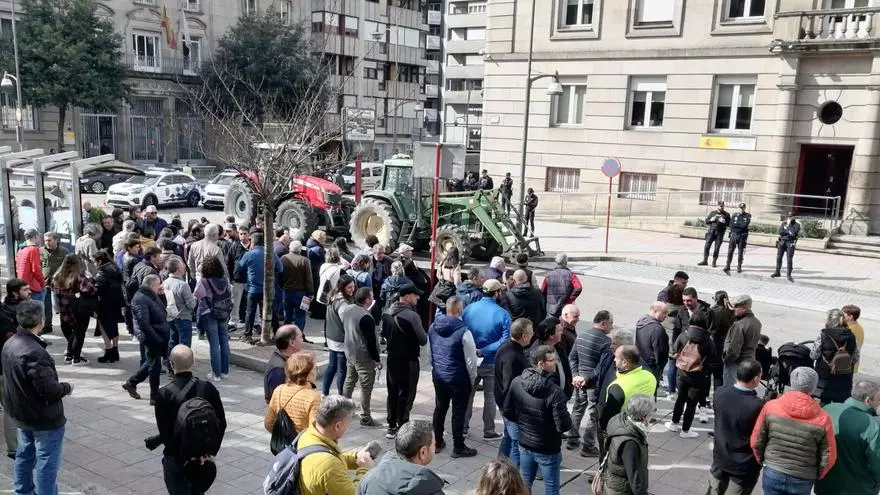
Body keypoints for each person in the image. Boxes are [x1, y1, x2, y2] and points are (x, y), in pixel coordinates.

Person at [2, 300, 73, 495]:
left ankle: (23, 491)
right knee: (46, 463)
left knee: (25, 456)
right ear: (40, 321)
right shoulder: (34, 352)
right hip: (42, 417)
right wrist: (67, 387)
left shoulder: (10, 343)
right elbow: (49, 390)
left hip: (22, 413)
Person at [751, 367, 837, 495]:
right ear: (813, 387)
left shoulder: (771, 407)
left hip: (773, 470)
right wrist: (818, 473)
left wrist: (763, 460)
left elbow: (757, 440)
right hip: (803, 477)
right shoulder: (823, 418)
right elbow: (829, 455)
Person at [154, 345, 226, 495]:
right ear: (193, 363)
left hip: (177, 459)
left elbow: (166, 433)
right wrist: (209, 451)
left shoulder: (164, 394)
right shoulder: (208, 388)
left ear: (171, 365)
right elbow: (221, 424)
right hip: (202, 459)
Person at [503, 344, 572, 495]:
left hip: (525, 443)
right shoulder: (555, 392)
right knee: (552, 487)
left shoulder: (516, 382)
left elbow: (508, 412)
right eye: (552, 360)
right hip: (547, 448)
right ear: (541, 363)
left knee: (524, 483)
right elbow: (563, 426)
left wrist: (523, 423)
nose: (557, 363)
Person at [462, 279, 511, 440]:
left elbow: (462, 331)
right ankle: (489, 430)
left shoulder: (469, 309)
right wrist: (484, 351)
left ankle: (463, 427)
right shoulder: (502, 314)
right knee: (490, 397)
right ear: (497, 293)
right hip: (491, 361)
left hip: (470, 359)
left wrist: (474, 350)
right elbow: (504, 340)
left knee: (468, 394)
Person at [297, 395, 377, 495]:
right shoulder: (329, 466)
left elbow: (331, 457)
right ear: (338, 425)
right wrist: (365, 470)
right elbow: (355, 493)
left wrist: (356, 457)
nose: (348, 427)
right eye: (348, 423)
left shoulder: (308, 434)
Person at [429, 296, 478, 457]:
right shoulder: (464, 332)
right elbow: (471, 360)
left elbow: (430, 353)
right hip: (458, 378)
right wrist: (472, 379)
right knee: (458, 411)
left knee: (440, 407)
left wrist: (435, 368)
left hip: (439, 375)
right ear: (459, 310)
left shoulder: (432, 327)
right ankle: (458, 446)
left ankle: (437, 441)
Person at [708, 359, 764, 495]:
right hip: (743, 466)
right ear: (756, 379)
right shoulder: (758, 406)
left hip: (720, 457)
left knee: (714, 490)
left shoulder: (720, 393)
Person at [815, 380, 880, 495]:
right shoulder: (873, 426)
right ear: (867, 400)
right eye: (878, 400)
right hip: (858, 489)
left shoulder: (828, 409)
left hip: (824, 484)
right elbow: (877, 465)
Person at [381, 286, 427, 438]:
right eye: (415, 295)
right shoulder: (412, 316)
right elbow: (423, 340)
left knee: (392, 391)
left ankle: (391, 424)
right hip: (409, 360)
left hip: (392, 358)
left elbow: (384, 334)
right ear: (406, 297)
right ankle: (403, 424)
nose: (417, 298)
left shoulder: (387, 312)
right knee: (406, 393)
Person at [356, 420, 445, 495]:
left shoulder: (369, 478)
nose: (435, 447)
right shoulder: (430, 490)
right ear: (423, 452)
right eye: (434, 444)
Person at [568, 310, 612, 455]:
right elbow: (602, 367)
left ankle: (572, 440)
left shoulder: (581, 335)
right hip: (594, 384)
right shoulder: (606, 342)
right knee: (593, 414)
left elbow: (572, 358)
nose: (612, 327)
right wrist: (586, 378)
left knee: (578, 408)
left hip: (579, 381)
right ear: (604, 323)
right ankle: (588, 446)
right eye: (611, 323)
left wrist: (576, 376)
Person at [586, 328, 635, 459]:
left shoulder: (634, 366)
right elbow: (599, 371)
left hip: (618, 415)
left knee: (613, 449)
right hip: (601, 407)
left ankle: (608, 475)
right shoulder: (609, 355)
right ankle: (602, 473)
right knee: (603, 444)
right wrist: (586, 379)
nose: (610, 346)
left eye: (614, 343)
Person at [665, 312, 715, 439]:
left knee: (680, 399)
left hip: (681, 373)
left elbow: (675, 350)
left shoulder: (684, 335)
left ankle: (674, 424)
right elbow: (713, 358)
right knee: (692, 404)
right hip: (698, 376)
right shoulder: (708, 341)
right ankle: (685, 431)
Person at [123, 274, 170, 404]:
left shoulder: (151, 294)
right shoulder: (140, 298)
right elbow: (144, 324)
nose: (160, 286)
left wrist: (161, 294)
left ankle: (131, 383)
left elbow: (162, 309)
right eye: (158, 284)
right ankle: (154, 396)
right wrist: (156, 338)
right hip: (151, 336)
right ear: (151, 285)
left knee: (151, 362)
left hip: (158, 333)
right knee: (155, 366)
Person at [494, 318, 535, 467]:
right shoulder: (513, 357)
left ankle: (499, 465)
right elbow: (510, 387)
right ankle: (512, 475)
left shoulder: (507, 347)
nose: (533, 335)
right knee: (517, 443)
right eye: (531, 332)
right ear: (523, 336)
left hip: (505, 405)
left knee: (508, 437)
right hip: (511, 408)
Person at [342, 288, 383, 427]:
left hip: (349, 352)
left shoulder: (348, 309)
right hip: (363, 356)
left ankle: (342, 411)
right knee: (366, 387)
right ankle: (365, 417)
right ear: (366, 299)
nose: (373, 298)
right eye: (371, 296)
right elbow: (371, 341)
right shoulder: (366, 317)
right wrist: (377, 359)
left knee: (349, 381)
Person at [601, 394, 655, 495]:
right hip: (621, 490)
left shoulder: (623, 421)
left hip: (613, 482)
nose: (651, 418)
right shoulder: (630, 443)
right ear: (643, 417)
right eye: (650, 414)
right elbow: (633, 474)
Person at [599, 345, 658, 430]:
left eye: (616, 357)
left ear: (625, 362)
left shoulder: (618, 386)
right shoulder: (650, 376)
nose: (614, 360)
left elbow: (608, 415)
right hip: (643, 425)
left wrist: (603, 428)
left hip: (622, 429)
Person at [237, 232, 282, 343]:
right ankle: (277, 333)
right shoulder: (271, 254)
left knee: (250, 312)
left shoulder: (249, 254)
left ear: (252, 242)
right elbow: (280, 268)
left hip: (253, 289)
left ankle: (247, 335)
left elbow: (240, 267)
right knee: (272, 312)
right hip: (269, 289)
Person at [194, 256, 233, 382]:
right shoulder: (225, 279)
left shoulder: (204, 281)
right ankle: (225, 371)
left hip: (210, 313)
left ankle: (216, 374)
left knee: (214, 344)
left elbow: (197, 295)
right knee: (224, 342)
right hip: (224, 313)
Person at [53, 253, 96, 365]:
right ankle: (76, 358)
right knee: (79, 333)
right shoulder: (80, 275)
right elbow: (91, 289)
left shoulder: (57, 276)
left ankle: (69, 354)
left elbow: (54, 292)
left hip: (64, 308)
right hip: (78, 308)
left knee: (70, 332)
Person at [810, 308, 858, 405]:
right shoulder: (851, 336)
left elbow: (813, 355)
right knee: (840, 409)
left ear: (829, 320)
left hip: (824, 381)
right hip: (844, 381)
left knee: (823, 407)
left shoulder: (823, 335)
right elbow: (856, 358)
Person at [265, 353, 321, 434]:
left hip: (282, 444)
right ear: (307, 374)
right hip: (303, 444)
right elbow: (314, 431)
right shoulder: (313, 397)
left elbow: (268, 423)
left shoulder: (279, 389)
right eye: (315, 368)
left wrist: (282, 436)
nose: (317, 371)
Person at [324, 276, 355, 396]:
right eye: (349, 287)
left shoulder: (332, 297)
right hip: (341, 339)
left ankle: (324, 393)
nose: (352, 289)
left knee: (332, 366)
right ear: (343, 287)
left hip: (331, 336)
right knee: (342, 370)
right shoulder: (343, 303)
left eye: (353, 286)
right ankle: (342, 396)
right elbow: (347, 322)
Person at [723, 294, 762, 387]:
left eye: (736, 306)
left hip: (737, 364)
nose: (733, 309)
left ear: (744, 308)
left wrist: (726, 360)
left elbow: (734, 350)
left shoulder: (740, 325)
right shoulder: (757, 322)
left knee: (731, 389)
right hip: (750, 362)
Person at [93, 251, 125, 363]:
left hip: (105, 303)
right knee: (114, 326)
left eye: (95, 261)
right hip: (116, 302)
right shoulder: (115, 268)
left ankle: (108, 351)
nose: (94, 264)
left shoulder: (102, 272)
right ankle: (115, 351)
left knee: (104, 327)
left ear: (100, 261)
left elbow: (98, 288)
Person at [531, 317, 573, 400]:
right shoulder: (536, 353)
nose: (562, 333)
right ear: (551, 335)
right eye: (560, 330)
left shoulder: (558, 346)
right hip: (549, 399)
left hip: (561, 397)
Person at [163, 256, 197, 356]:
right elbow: (191, 305)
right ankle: (182, 366)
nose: (185, 268)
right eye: (182, 266)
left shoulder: (165, 282)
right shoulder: (183, 285)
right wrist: (194, 298)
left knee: (172, 341)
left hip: (170, 316)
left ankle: (170, 364)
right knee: (184, 345)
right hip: (184, 317)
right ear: (178, 269)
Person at [264, 324, 305, 403]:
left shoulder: (284, 357)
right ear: (292, 342)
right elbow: (280, 402)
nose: (302, 340)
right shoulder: (279, 371)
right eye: (300, 337)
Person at [280, 240, 313, 331]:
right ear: (300, 249)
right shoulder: (305, 260)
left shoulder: (283, 258)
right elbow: (309, 278)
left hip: (287, 291)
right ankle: (299, 335)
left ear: (290, 248)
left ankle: (286, 335)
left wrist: (281, 286)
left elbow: (280, 275)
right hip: (301, 292)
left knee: (288, 315)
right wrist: (311, 293)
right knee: (300, 316)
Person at [634, 301, 669, 387]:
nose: (666, 316)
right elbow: (660, 352)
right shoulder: (657, 329)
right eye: (664, 313)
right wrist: (659, 368)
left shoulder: (641, 322)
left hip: (639, 363)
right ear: (655, 311)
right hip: (651, 368)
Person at [39, 232, 68, 335]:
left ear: (56, 240)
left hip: (59, 284)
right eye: (45, 240)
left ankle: (65, 325)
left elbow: (67, 267)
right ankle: (47, 326)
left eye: (49, 240)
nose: (47, 242)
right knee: (46, 306)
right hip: (45, 283)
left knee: (61, 306)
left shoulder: (64, 252)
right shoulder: (41, 251)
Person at [540, 253, 582, 318]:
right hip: (565, 308)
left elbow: (542, 291)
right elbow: (578, 288)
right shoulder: (571, 275)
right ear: (566, 262)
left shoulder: (549, 275)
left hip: (551, 309)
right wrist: (570, 300)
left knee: (551, 326)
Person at [708, 290, 734, 392]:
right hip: (725, 344)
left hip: (713, 343)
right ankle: (717, 395)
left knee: (708, 372)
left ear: (715, 299)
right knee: (719, 374)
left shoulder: (712, 311)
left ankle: (704, 398)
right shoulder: (730, 312)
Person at [227, 224, 249, 330]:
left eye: (245, 234)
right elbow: (229, 263)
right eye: (241, 234)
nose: (243, 236)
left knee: (253, 303)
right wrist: (230, 278)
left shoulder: (252, 246)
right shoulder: (234, 246)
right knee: (235, 302)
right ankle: (233, 322)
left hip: (250, 280)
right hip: (237, 280)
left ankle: (256, 323)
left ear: (249, 235)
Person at [16, 229, 45, 304]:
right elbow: (36, 269)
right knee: (36, 312)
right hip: (33, 287)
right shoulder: (33, 249)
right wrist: (43, 283)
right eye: (38, 236)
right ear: (34, 237)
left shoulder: (21, 250)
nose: (39, 239)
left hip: (22, 286)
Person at [699, 201, 731, 267]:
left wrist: (724, 222)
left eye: (722, 206)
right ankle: (705, 260)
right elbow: (706, 221)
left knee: (717, 248)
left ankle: (714, 262)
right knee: (707, 246)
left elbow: (729, 224)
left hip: (720, 233)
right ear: (717, 206)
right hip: (711, 232)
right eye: (720, 206)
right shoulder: (712, 213)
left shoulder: (726, 214)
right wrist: (711, 219)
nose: (721, 207)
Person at [771, 211, 801, 282]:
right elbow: (780, 232)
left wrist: (788, 226)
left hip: (790, 243)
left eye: (791, 217)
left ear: (794, 217)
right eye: (788, 217)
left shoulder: (797, 225)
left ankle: (789, 275)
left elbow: (793, 234)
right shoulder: (784, 223)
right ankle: (777, 272)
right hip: (782, 242)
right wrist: (788, 231)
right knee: (779, 257)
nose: (789, 218)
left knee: (789, 259)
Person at [724, 202, 752, 273]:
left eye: (743, 208)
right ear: (738, 208)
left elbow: (744, 225)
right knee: (730, 251)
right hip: (734, 235)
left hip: (742, 236)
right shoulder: (734, 215)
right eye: (740, 208)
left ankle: (739, 266)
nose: (741, 209)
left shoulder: (747, 216)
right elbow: (731, 224)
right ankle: (728, 265)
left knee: (740, 252)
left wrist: (737, 224)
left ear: (745, 208)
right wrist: (737, 225)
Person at [842, 304, 864, 373]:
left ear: (850, 316)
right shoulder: (859, 327)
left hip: (846, 364)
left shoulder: (850, 330)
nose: (841, 317)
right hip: (852, 362)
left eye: (843, 315)